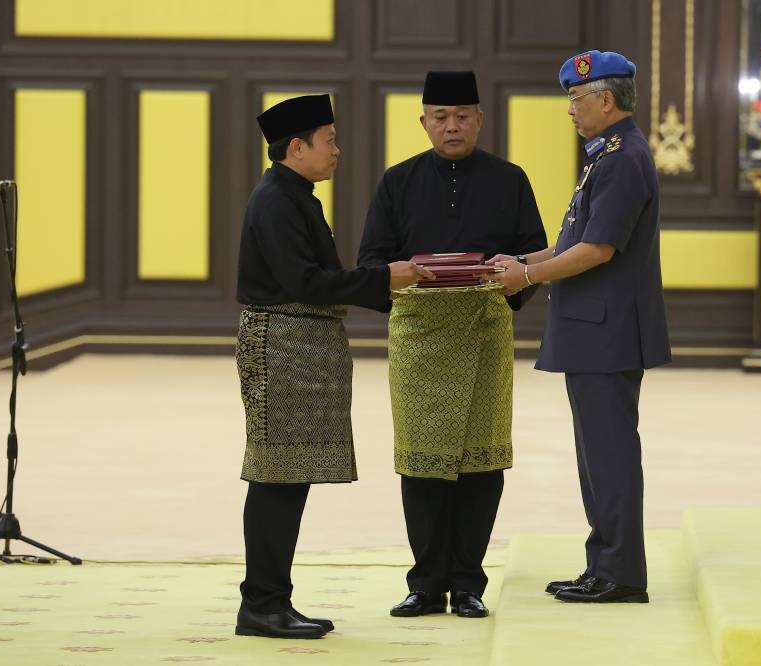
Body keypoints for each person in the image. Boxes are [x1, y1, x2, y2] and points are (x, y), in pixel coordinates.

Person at [234, 94, 433, 639]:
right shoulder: (276, 200)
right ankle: (262, 604)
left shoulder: (295, 195)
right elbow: (305, 283)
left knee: (288, 476)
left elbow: (314, 280)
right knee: (277, 476)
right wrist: (385, 278)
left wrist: (382, 279)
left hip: (301, 349)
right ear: (296, 148)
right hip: (282, 348)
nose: (338, 151)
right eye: (330, 140)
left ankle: (272, 599)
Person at [358, 71, 548, 619]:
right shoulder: (397, 182)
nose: (452, 126)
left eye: (463, 115)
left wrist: (505, 280)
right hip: (419, 333)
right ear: (424, 122)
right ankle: (425, 583)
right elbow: (372, 260)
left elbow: (532, 257)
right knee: (421, 462)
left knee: (481, 461)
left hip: (486, 329)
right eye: (440, 117)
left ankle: (468, 584)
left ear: (480, 119)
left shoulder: (510, 179)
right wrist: (412, 274)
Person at [490, 50, 672, 603]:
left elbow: (598, 248)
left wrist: (529, 274)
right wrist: (524, 261)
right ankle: (605, 565)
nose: (570, 108)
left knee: (609, 456)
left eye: (576, 98)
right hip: (597, 327)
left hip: (606, 330)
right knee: (596, 457)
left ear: (606, 99)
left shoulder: (621, 157)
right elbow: (576, 241)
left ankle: (619, 573)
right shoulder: (608, 154)